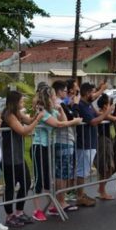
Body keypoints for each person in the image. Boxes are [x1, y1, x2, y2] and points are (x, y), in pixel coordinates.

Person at [31, 86, 82, 220]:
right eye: (54, 96)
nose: (56, 98)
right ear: (49, 97)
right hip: (39, 146)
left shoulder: (51, 111)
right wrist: (74, 121)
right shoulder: (42, 112)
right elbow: (59, 125)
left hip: (49, 146)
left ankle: (52, 205)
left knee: (48, 179)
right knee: (39, 180)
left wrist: (60, 110)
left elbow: (62, 120)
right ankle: (36, 210)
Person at [1, 91, 43, 227]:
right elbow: (24, 131)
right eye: (21, 100)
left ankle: (19, 212)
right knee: (10, 186)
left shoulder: (17, 113)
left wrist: (37, 113)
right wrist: (37, 120)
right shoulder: (8, 114)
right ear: (15, 101)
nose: (23, 102)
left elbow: (28, 121)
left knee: (25, 182)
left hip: (18, 155)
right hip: (9, 156)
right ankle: (9, 216)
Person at [74, 83, 112, 206]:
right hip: (84, 143)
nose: (94, 95)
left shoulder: (88, 105)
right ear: (86, 93)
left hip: (90, 142)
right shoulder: (82, 106)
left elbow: (97, 115)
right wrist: (107, 113)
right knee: (82, 171)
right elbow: (94, 121)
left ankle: (81, 194)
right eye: (92, 92)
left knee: (84, 171)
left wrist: (107, 114)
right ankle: (79, 196)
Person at [94, 93, 116, 201]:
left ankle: (101, 188)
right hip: (103, 141)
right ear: (105, 106)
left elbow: (115, 119)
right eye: (109, 103)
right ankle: (102, 191)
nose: (111, 105)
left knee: (111, 167)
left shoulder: (105, 114)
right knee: (106, 167)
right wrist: (112, 116)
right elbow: (109, 117)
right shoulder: (101, 113)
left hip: (109, 140)